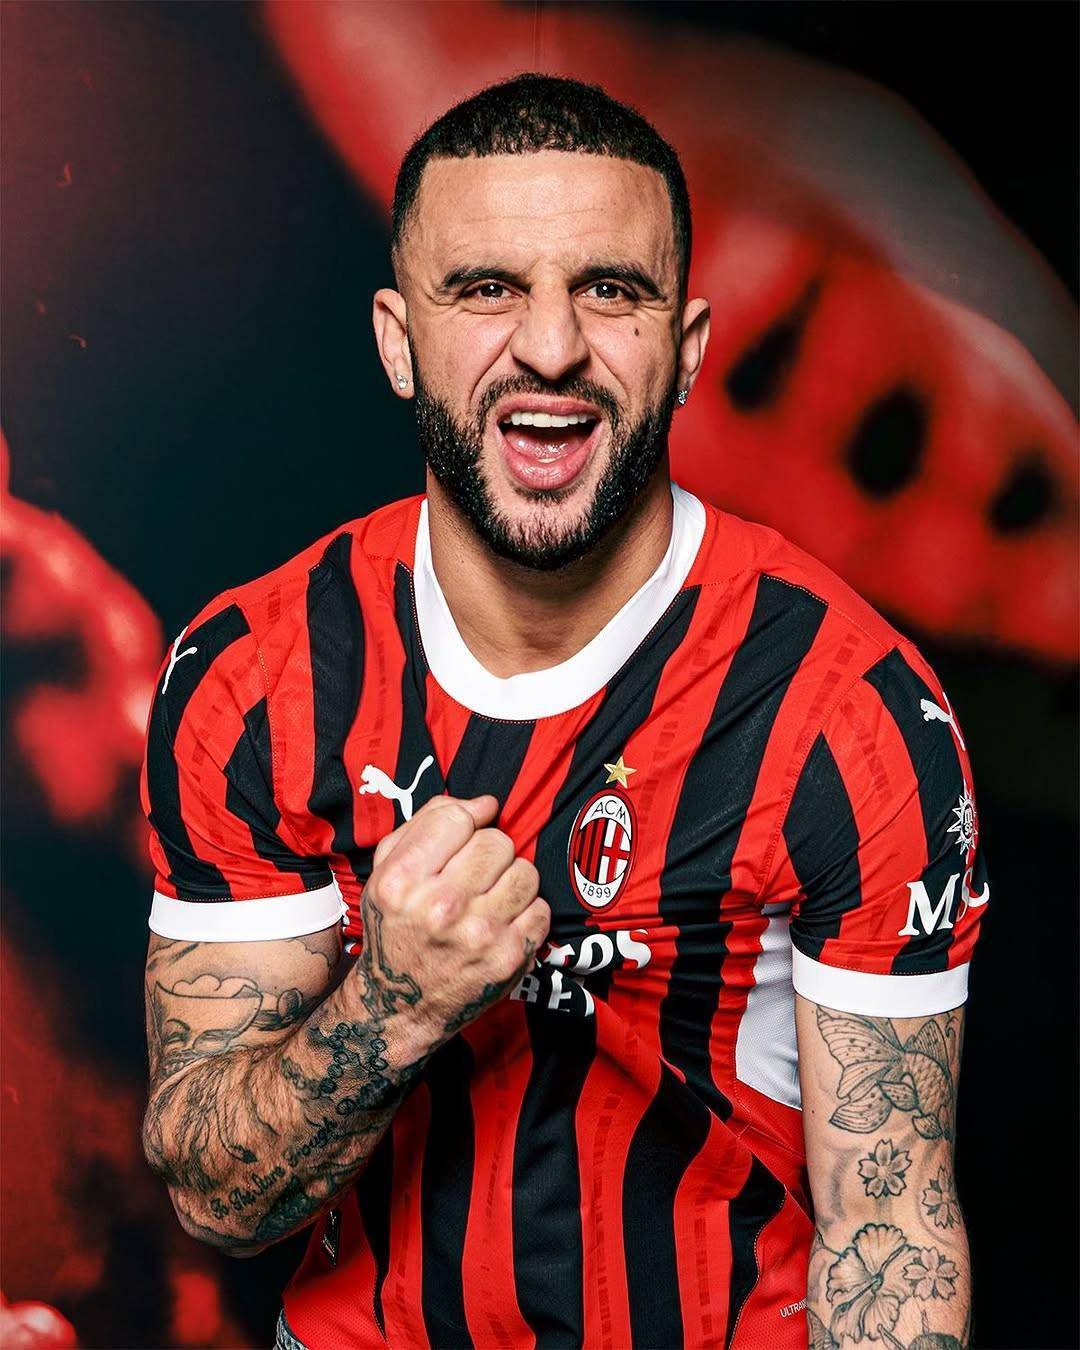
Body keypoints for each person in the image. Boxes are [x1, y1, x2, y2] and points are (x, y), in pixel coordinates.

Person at [141, 75, 986, 1349]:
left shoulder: (850, 712)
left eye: (611, 290)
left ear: (688, 351)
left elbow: (892, 1234)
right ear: (397, 340)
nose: (549, 346)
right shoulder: (257, 676)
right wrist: (395, 1003)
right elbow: (219, 1199)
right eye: (486, 288)